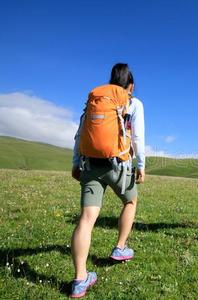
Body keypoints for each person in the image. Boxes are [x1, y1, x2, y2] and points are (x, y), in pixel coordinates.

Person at [69, 63, 146, 298]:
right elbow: (138, 136)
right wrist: (141, 165)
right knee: (130, 202)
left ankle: (80, 280)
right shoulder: (132, 102)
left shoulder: (96, 97)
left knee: (87, 218)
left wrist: (75, 162)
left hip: (90, 164)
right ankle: (120, 248)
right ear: (130, 85)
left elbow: (82, 130)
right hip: (118, 164)